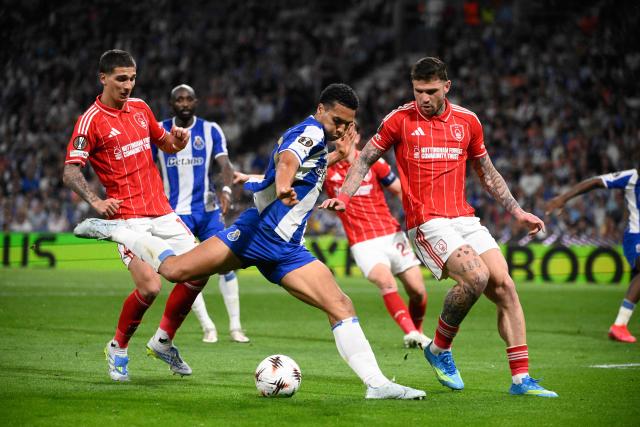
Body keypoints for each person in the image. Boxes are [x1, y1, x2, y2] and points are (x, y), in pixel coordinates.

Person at [74, 83, 426, 400]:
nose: (342, 129)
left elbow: (308, 165)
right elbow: (288, 160)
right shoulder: (309, 133)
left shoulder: (322, 141)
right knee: (175, 271)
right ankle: (119, 232)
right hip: (259, 234)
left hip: (285, 249)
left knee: (341, 305)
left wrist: (335, 155)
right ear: (320, 110)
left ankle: (377, 385)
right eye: (337, 120)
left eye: (348, 124)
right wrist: (285, 184)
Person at [320, 57, 558, 397]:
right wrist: (344, 194)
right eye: (418, 91)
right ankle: (441, 348)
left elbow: (487, 172)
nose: (424, 98)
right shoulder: (399, 120)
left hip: (463, 217)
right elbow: (365, 158)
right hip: (426, 222)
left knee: (504, 285)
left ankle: (521, 379)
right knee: (477, 276)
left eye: (431, 91)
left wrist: (518, 211)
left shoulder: (467, 121)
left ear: (447, 86)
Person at [63, 49, 205, 382]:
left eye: (132, 78)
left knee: (200, 271)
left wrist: (178, 141)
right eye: (121, 78)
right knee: (151, 286)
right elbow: (70, 170)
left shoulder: (141, 108)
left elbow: (165, 144)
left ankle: (163, 341)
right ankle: (118, 347)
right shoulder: (90, 121)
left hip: (163, 212)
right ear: (103, 78)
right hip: (128, 220)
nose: (128, 85)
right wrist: (95, 201)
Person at [154, 84, 249, 344]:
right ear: (171, 104)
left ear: (196, 102)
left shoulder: (210, 130)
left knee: (225, 264)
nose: (184, 103)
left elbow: (225, 165)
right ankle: (208, 327)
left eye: (188, 99)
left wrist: (227, 190)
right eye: (179, 99)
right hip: (175, 213)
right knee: (190, 272)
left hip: (207, 210)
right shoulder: (158, 130)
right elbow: (147, 167)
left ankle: (235, 327)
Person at [324, 124, 430, 349]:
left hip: (391, 234)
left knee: (418, 292)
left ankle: (417, 333)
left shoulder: (374, 163)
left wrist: (417, 219)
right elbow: (294, 173)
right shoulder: (327, 171)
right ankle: (410, 331)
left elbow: (400, 190)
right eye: (338, 137)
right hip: (363, 242)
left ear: (357, 137)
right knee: (386, 282)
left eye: (347, 135)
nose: (341, 140)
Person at [545, 169, 640, 343]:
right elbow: (596, 181)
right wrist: (562, 198)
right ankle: (619, 326)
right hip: (636, 237)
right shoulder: (632, 176)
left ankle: (620, 325)